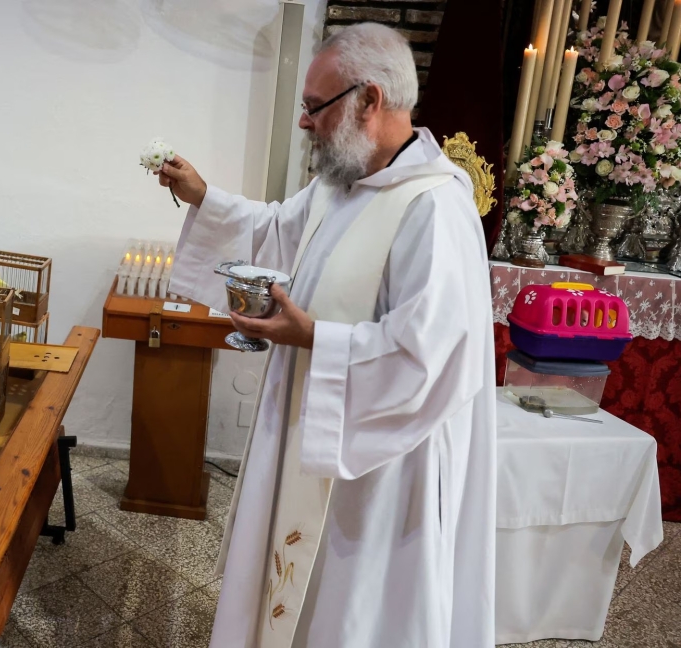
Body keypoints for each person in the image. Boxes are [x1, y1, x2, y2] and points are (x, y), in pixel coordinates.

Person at [154, 22, 497, 648]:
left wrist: (316, 338)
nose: (305, 123)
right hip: (306, 430)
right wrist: (202, 196)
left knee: (349, 609)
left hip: (380, 471)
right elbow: (275, 233)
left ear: (369, 100)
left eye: (315, 107)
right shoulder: (341, 185)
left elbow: (433, 352)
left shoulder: (434, 208)